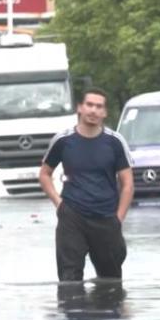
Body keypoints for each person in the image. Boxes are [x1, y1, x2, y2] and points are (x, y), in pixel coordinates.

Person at [40, 88, 134, 282]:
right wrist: (60, 205)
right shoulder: (63, 141)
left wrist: (119, 218)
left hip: (107, 217)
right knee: (69, 280)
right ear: (80, 108)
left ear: (105, 112)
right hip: (72, 216)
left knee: (111, 281)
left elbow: (127, 184)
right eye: (89, 105)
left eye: (99, 106)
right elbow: (44, 174)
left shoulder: (114, 142)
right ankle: (73, 311)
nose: (93, 110)